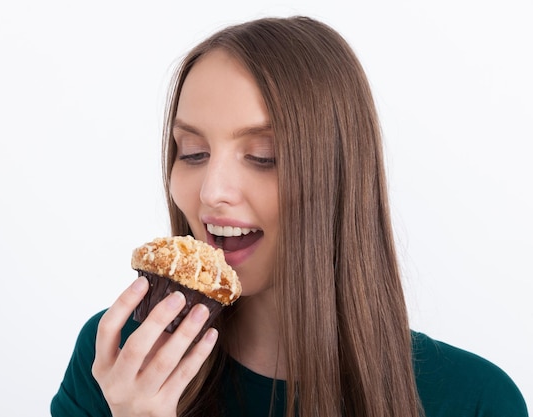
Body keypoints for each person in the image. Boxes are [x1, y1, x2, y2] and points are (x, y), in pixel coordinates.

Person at [51, 16, 528, 417]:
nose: (212, 193)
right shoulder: (118, 360)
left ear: (340, 176)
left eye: (263, 156)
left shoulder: (475, 400)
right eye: (193, 152)